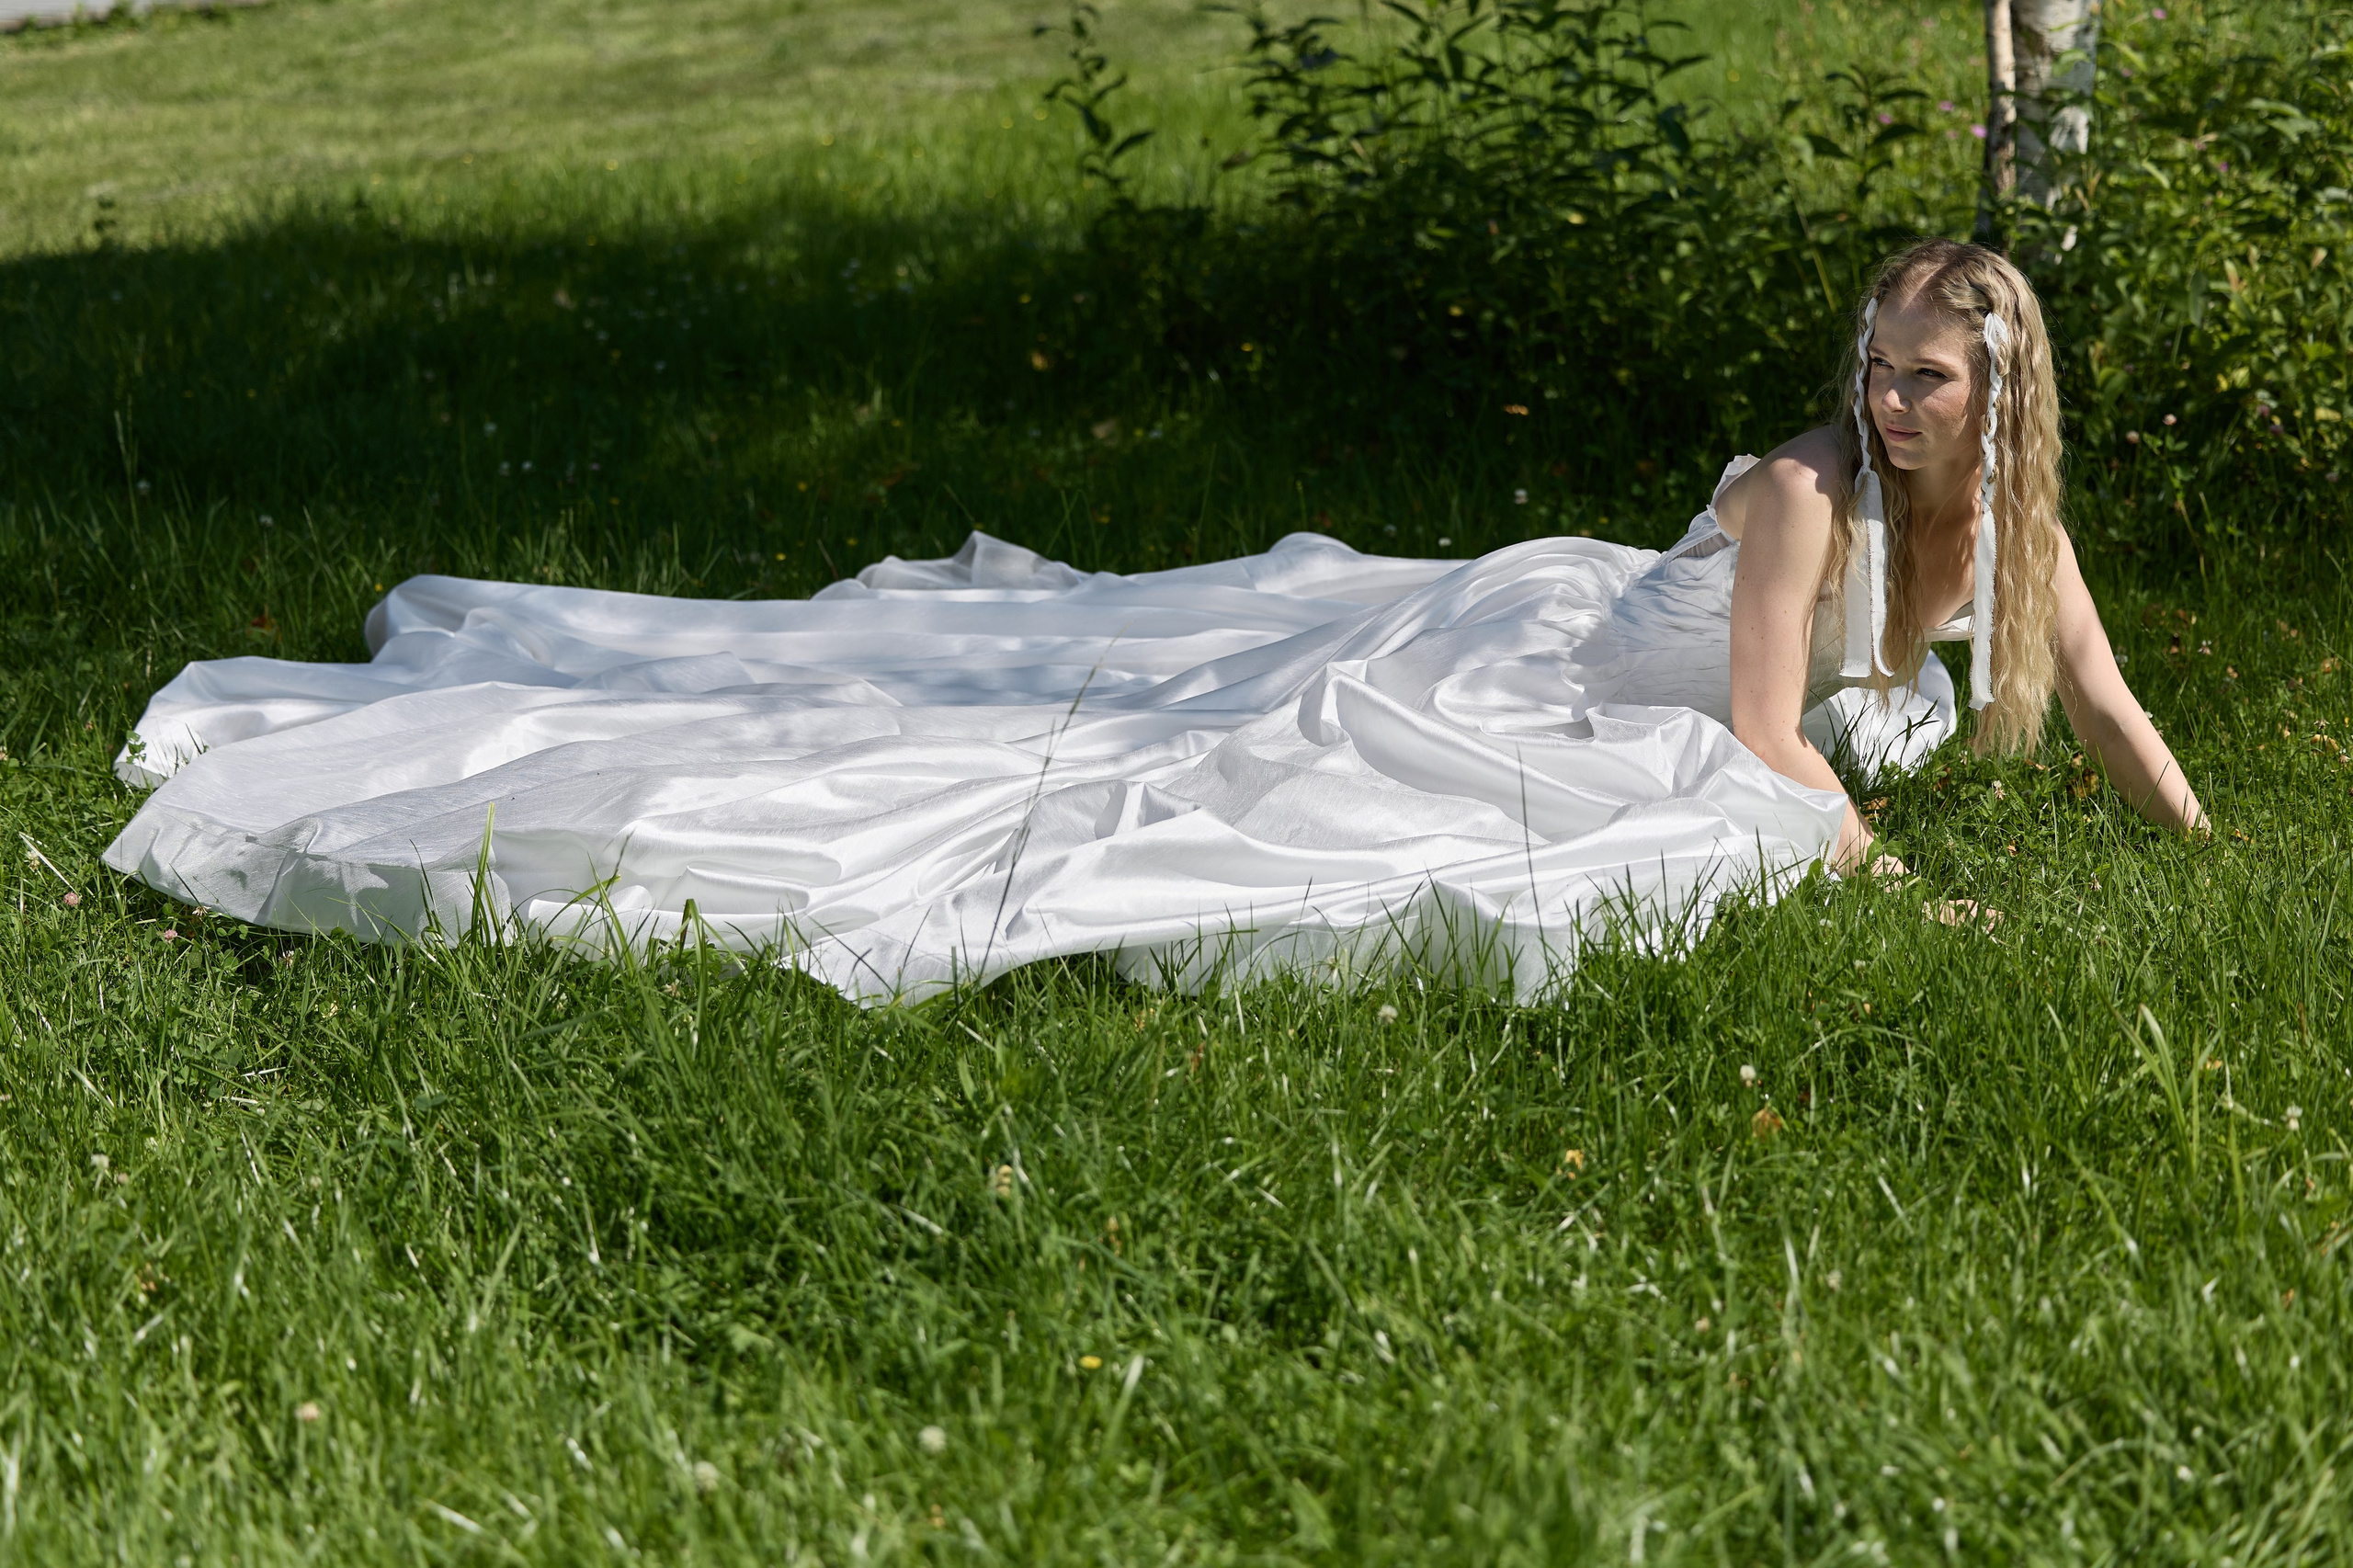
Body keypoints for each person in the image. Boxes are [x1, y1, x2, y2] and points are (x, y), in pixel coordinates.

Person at [102, 239, 2200, 1004]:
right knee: (1145, 771)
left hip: (1668, 680)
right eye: (1881, 361)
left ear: (1999, 395)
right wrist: (1881, 875)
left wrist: (2193, 853)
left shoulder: (2002, 517)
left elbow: (2090, 685)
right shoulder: (1795, 497)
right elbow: (1760, 741)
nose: (1892, 394)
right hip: (1554, 666)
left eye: (1931, 374)